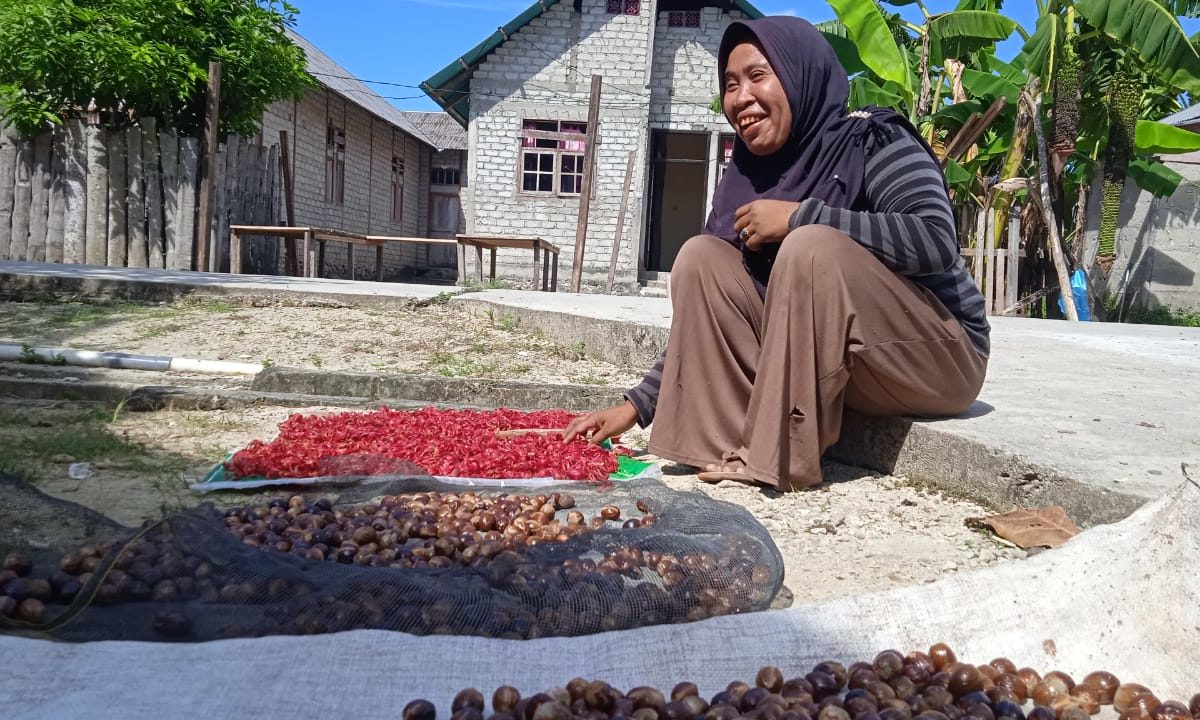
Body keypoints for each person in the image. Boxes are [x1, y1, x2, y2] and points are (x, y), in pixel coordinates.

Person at [563, 16, 990, 490]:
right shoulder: (747, 174)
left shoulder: (874, 140)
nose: (740, 97)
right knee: (702, 258)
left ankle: (777, 455)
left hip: (938, 359)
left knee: (810, 247)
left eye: (758, 76)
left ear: (799, 74)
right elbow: (704, 313)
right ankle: (719, 440)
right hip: (851, 374)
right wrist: (637, 404)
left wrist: (800, 217)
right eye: (729, 84)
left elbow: (933, 239)